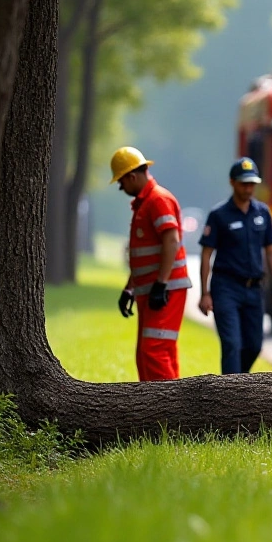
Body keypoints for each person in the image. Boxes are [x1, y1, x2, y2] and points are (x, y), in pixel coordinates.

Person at [197, 158, 272, 374]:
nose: (248, 189)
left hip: (254, 289)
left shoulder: (262, 213)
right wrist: (204, 293)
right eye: (243, 183)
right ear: (232, 182)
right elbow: (206, 255)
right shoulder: (219, 215)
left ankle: (237, 384)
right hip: (226, 288)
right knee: (232, 344)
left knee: (254, 345)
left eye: (251, 184)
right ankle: (231, 395)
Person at [110, 146, 191, 381]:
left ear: (131, 176)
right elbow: (144, 255)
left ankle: (166, 411)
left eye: (121, 181)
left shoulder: (158, 200)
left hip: (165, 289)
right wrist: (130, 287)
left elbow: (171, 241)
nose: (120, 187)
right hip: (154, 289)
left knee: (153, 350)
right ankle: (163, 410)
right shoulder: (144, 204)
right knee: (153, 351)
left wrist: (161, 285)